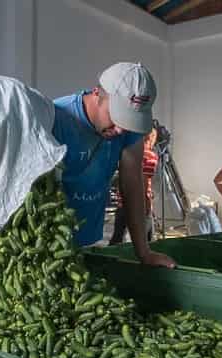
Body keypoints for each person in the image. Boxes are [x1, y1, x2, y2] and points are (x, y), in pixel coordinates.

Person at [51, 62, 175, 268]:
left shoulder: (129, 129)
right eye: (116, 116)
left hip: (89, 239)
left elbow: (132, 183)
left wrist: (144, 252)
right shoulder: (57, 116)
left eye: (128, 122)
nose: (120, 130)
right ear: (97, 93)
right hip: (47, 243)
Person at [109, 128, 158, 245]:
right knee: (146, 240)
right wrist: (146, 203)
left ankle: (111, 258)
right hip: (141, 203)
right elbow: (144, 180)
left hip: (124, 201)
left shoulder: (126, 153)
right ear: (151, 139)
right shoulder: (151, 157)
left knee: (117, 237)